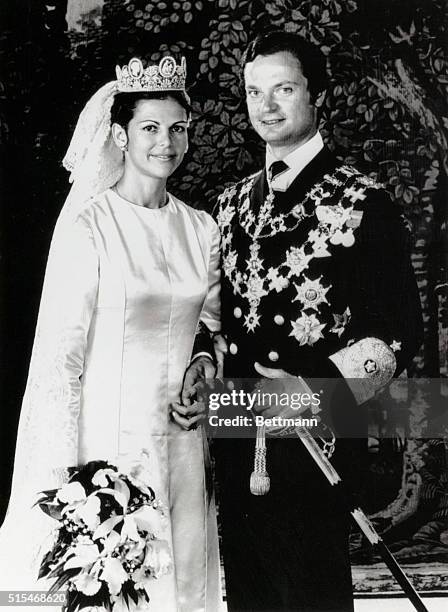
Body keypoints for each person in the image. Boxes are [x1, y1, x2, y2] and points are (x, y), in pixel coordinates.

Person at [180, 30, 423, 611]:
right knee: (248, 590)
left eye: (283, 89)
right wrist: (202, 357)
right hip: (236, 440)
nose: (265, 106)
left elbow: (397, 334)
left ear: (318, 96)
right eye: (254, 92)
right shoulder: (230, 204)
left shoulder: (366, 202)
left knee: (310, 593)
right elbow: (209, 314)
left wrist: (313, 391)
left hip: (319, 444)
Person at [0, 56, 221, 611]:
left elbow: (211, 324)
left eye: (178, 129)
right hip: (108, 444)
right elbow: (60, 358)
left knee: (185, 581)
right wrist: (67, 475)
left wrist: (205, 364)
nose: (165, 143)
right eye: (150, 128)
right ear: (120, 135)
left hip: (183, 441)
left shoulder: (201, 228)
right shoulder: (89, 226)